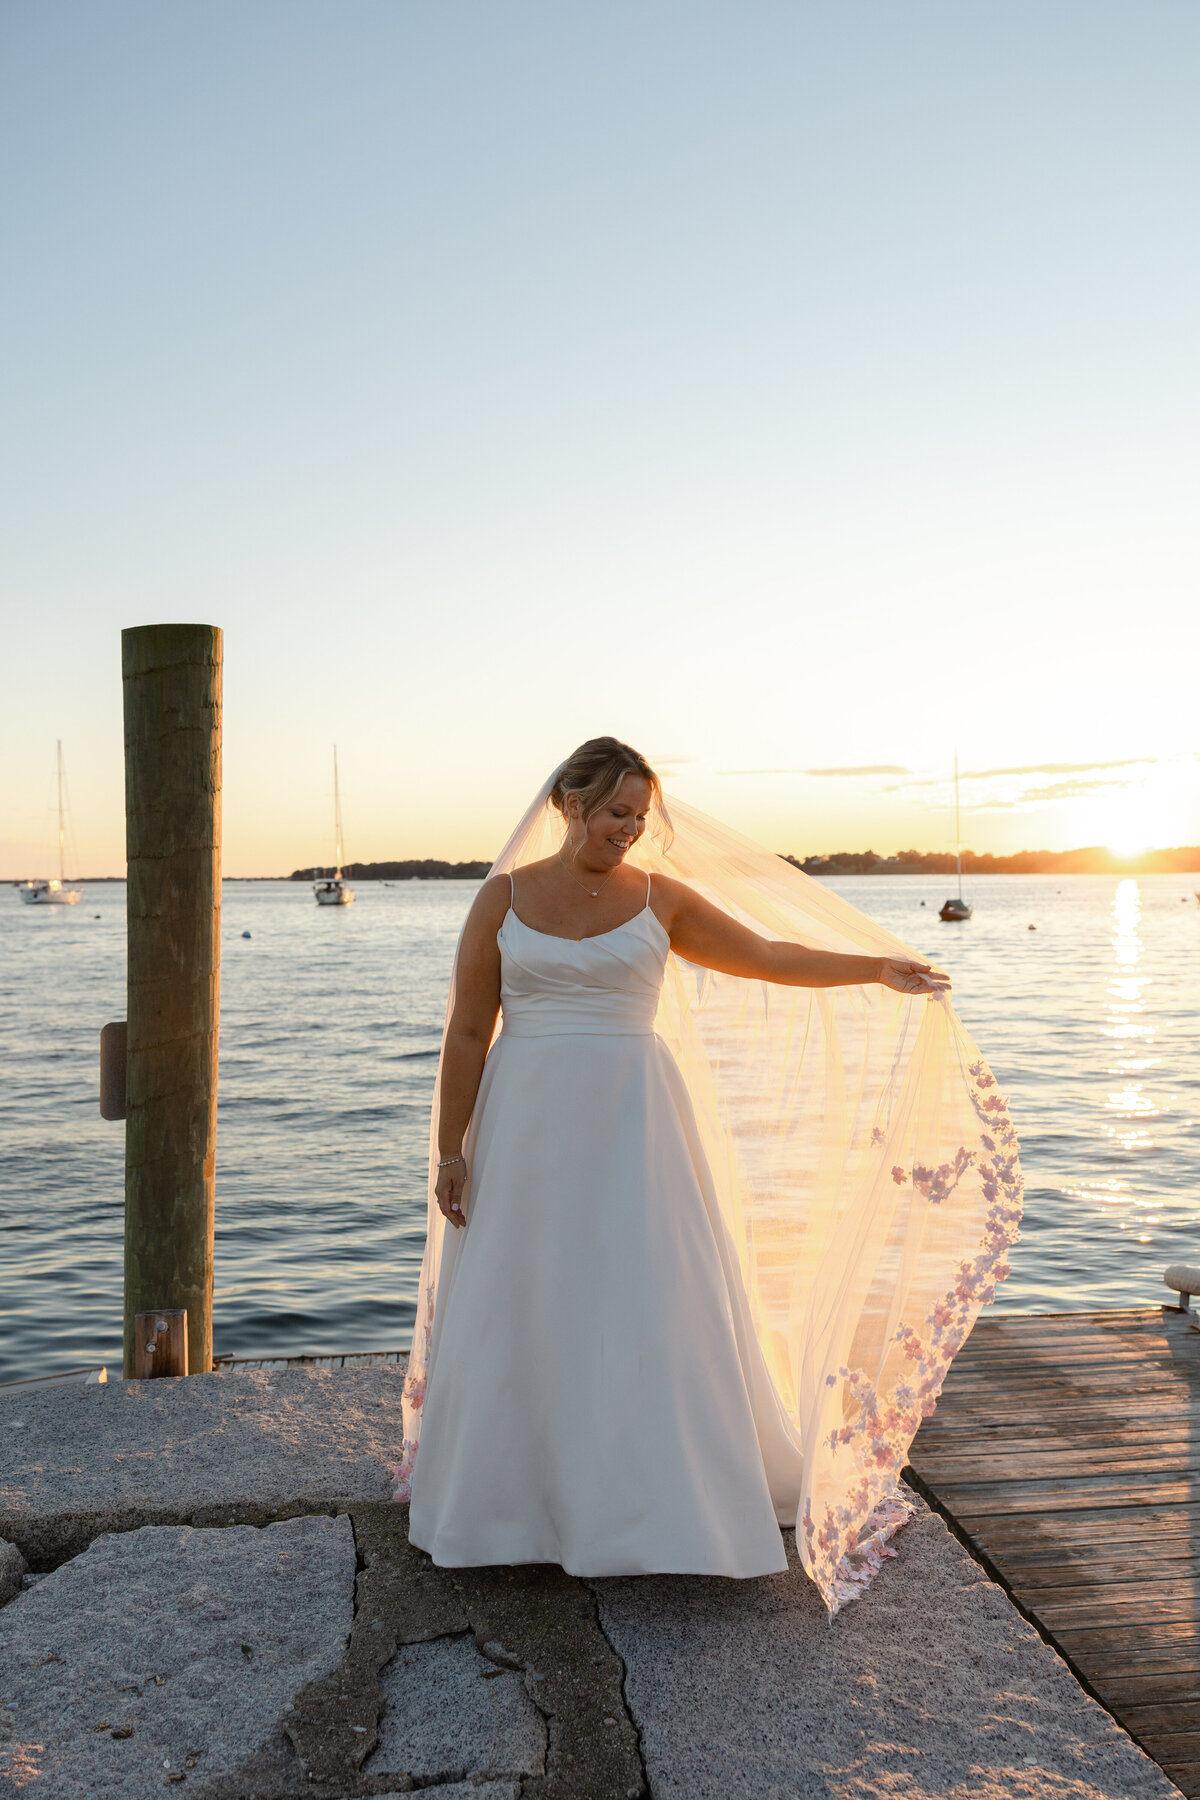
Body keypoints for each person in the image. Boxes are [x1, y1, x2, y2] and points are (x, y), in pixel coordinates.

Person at [397, 739, 1022, 1613]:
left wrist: (873, 969)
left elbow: (771, 955)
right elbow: (468, 1031)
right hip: (525, 1123)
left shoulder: (661, 900)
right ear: (569, 802)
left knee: (646, 1293)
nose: (630, 831)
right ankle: (509, 1510)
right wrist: (451, 1152)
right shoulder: (500, 899)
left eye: (641, 818)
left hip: (635, 1123)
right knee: (524, 1294)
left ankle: (654, 1509)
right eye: (617, 813)